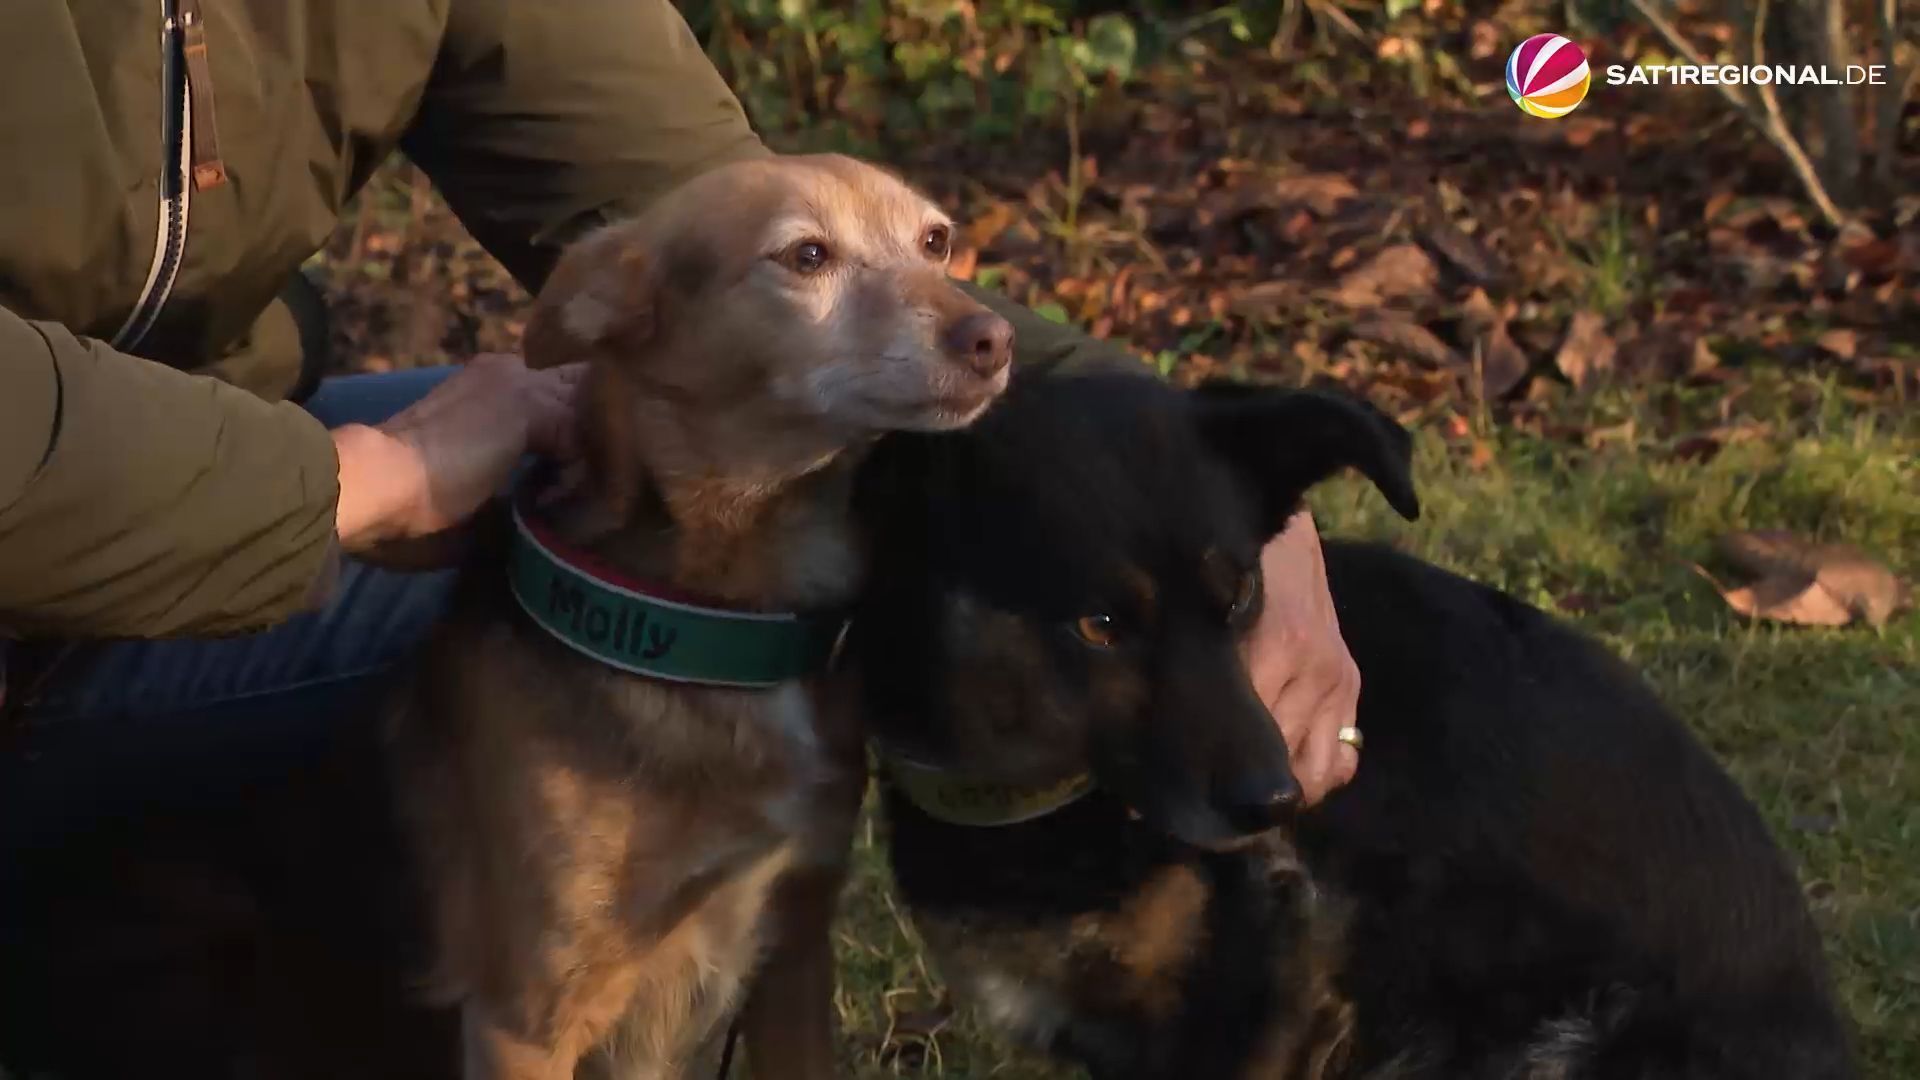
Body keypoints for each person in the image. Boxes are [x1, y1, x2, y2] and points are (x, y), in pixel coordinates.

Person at [0, 2, 1359, 848]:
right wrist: (358, 481)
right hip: (115, 551)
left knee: (905, 543)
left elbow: (712, 206)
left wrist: (1191, 474)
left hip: (170, 542)